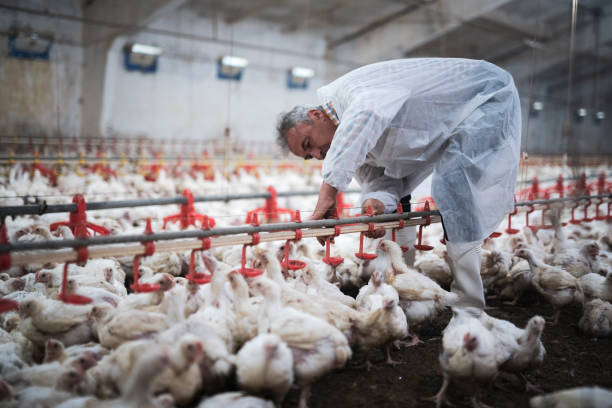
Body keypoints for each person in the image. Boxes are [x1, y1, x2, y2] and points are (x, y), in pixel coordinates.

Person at [276, 58, 521, 317]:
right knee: (443, 188)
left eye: (308, 143)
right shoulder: (349, 142)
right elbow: (380, 181)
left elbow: (365, 117)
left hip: (484, 97)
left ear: (316, 115)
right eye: (308, 155)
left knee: (453, 184)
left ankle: (470, 308)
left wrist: (327, 195)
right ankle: (413, 286)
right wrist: (376, 203)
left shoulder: (351, 93)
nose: (316, 154)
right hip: (457, 120)